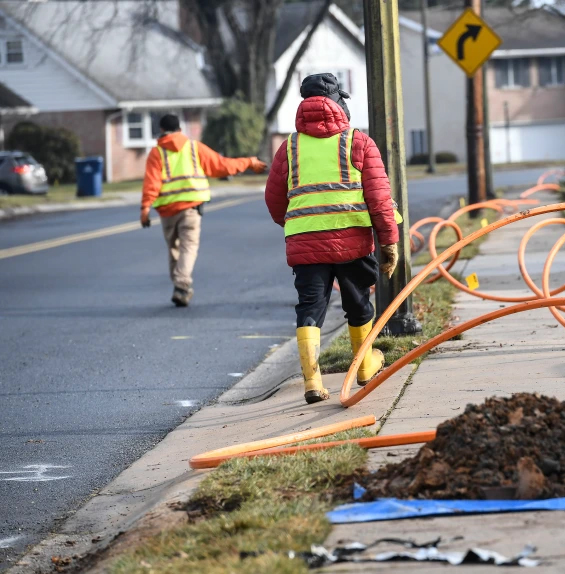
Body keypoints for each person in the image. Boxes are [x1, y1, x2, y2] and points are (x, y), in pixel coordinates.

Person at [265, 73, 402, 405]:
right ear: (338, 104)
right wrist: (389, 242)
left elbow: (274, 199)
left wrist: (295, 225)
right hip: (352, 242)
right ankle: (366, 367)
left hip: (305, 244)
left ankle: (313, 381)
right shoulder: (358, 142)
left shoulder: (289, 147)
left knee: (310, 307)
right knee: (358, 303)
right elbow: (379, 199)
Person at [141, 114, 267, 306]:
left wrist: (145, 208)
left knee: (174, 249)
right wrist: (248, 162)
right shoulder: (193, 147)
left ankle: (179, 285)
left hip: (167, 211)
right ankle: (182, 285)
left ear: (161, 130)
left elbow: (151, 182)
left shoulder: (157, 153)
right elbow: (221, 166)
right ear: (180, 130)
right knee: (188, 247)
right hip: (191, 207)